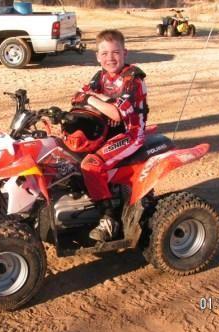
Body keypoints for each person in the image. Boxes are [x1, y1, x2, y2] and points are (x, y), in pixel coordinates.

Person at [71, 29, 149, 242]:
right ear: (97, 56)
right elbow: (77, 96)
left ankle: (109, 220)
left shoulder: (133, 78)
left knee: (91, 165)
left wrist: (93, 99)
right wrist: (96, 98)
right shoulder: (100, 76)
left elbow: (116, 113)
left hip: (130, 134)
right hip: (107, 131)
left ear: (125, 52)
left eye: (115, 52)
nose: (110, 58)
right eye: (104, 53)